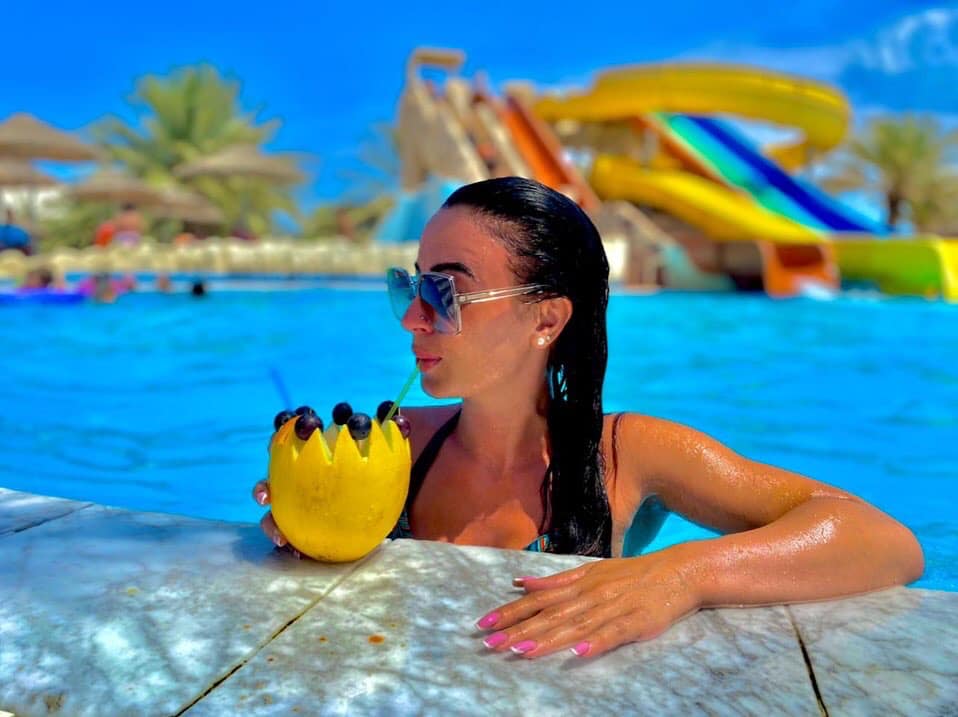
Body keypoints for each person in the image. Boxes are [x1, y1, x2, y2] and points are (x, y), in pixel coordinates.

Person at [252, 177, 923, 660]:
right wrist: (309, 528)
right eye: (409, 284)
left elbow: (884, 539)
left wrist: (681, 576)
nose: (411, 318)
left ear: (546, 318)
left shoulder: (628, 454)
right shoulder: (398, 447)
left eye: (444, 290)